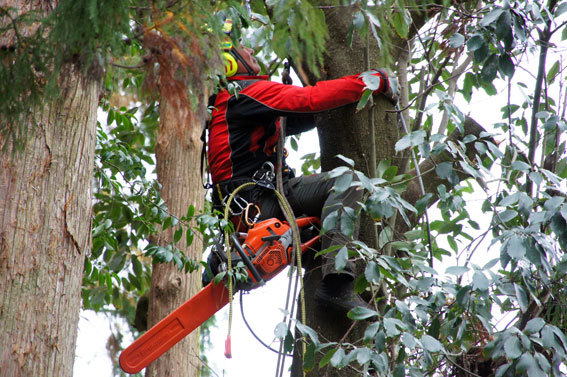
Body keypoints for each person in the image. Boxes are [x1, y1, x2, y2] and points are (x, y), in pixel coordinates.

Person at [206, 38, 398, 312]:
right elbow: (308, 100)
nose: (251, 49)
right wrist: (370, 81)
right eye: (244, 48)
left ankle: (319, 264)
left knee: (323, 230)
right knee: (347, 182)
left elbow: (303, 114)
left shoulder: (232, 103)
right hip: (259, 204)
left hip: (248, 212)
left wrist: (339, 97)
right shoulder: (243, 93)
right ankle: (337, 283)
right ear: (230, 60)